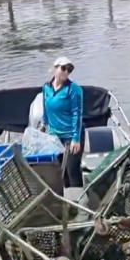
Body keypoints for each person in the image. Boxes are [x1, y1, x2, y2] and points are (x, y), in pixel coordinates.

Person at [41, 57, 84, 188]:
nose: (66, 72)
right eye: (63, 68)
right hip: (55, 136)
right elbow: (45, 108)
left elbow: (77, 114)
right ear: (55, 68)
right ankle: (68, 201)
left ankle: (79, 201)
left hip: (72, 136)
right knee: (62, 171)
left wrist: (76, 139)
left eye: (69, 70)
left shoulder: (73, 89)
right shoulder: (46, 88)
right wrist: (44, 124)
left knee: (72, 169)